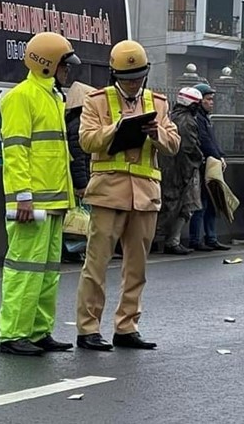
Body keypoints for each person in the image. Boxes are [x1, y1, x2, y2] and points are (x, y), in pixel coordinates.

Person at [75, 40, 180, 352]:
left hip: (145, 195)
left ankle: (127, 326)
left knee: (137, 267)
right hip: (108, 193)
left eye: (137, 77)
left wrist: (156, 134)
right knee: (96, 265)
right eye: (126, 78)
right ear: (115, 75)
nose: (133, 83)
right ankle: (88, 328)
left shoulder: (158, 103)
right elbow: (86, 141)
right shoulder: (96, 101)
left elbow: (174, 143)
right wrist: (116, 128)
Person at [0, 32, 80, 357]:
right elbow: (16, 151)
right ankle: (13, 334)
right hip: (30, 202)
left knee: (47, 271)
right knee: (23, 269)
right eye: (64, 65)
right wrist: (23, 197)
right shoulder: (22, 96)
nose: (67, 71)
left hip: (54, 201)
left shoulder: (53, 97)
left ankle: (38, 331)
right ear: (47, 65)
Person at [158, 86, 204, 255]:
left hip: (170, 166)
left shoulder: (172, 117)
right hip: (182, 168)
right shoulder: (187, 122)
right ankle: (172, 241)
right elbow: (188, 148)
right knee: (185, 206)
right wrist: (197, 161)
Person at [188, 82, 230, 251]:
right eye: (208, 99)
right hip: (203, 164)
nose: (211, 102)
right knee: (201, 203)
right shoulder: (197, 118)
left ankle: (211, 237)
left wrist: (221, 156)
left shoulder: (205, 118)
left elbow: (213, 140)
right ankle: (195, 239)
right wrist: (217, 157)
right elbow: (205, 141)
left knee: (212, 202)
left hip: (212, 163)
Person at [62, 81, 95, 264]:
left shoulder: (72, 122)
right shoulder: (79, 125)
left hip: (76, 178)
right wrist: (81, 184)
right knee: (78, 218)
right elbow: (79, 157)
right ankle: (72, 250)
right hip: (79, 179)